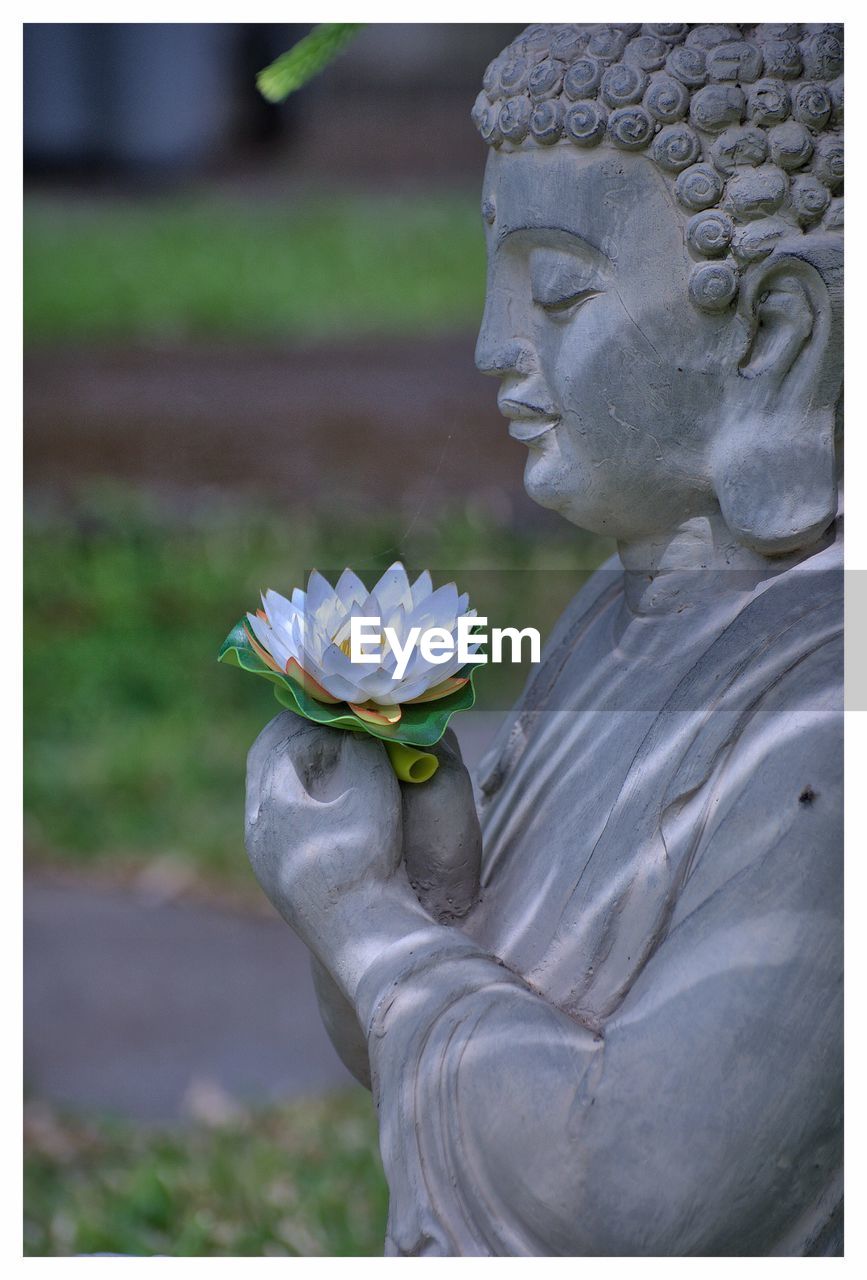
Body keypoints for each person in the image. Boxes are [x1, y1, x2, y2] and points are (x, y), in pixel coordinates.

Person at [244, 23, 843, 1255]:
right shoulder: (614, 623)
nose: (490, 346)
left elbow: (626, 1196)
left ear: (776, 332)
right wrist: (433, 877)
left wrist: (362, 912)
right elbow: (457, 1029)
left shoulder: (832, 727)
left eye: (557, 287)